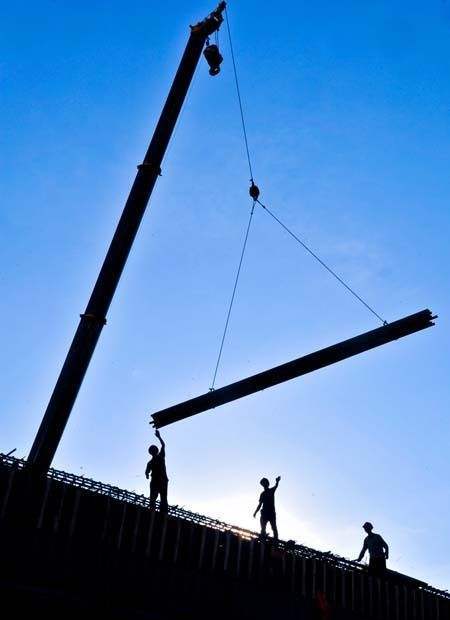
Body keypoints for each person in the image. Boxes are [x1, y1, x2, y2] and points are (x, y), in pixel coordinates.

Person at [145, 430, 168, 512]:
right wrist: (147, 474)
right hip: (158, 481)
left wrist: (159, 437)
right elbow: (146, 472)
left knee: (161, 499)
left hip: (161, 480)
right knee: (155, 499)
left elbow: (163, 445)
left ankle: (161, 512)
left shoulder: (160, 457)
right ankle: (155, 512)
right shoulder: (151, 462)